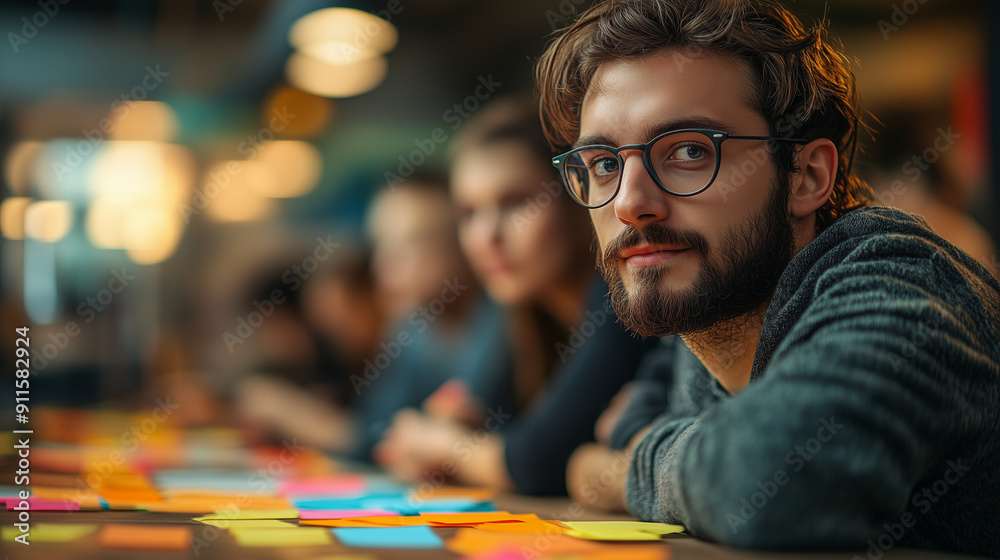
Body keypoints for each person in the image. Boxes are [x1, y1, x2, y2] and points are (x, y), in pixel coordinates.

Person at [535, 0, 1000, 557]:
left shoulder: (899, 280)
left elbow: (775, 479)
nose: (631, 203)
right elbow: (631, 418)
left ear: (805, 176)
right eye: (605, 163)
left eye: (688, 151)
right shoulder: (711, 312)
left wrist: (635, 461)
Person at [374, 98, 659, 495]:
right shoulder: (523, 321)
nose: (487, 237)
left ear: (579, 198)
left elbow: (535, 462)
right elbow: (507, 445)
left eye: (516, 202)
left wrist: (445, 446)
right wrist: (465, 435)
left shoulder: (624, 300)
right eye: (469, 213)